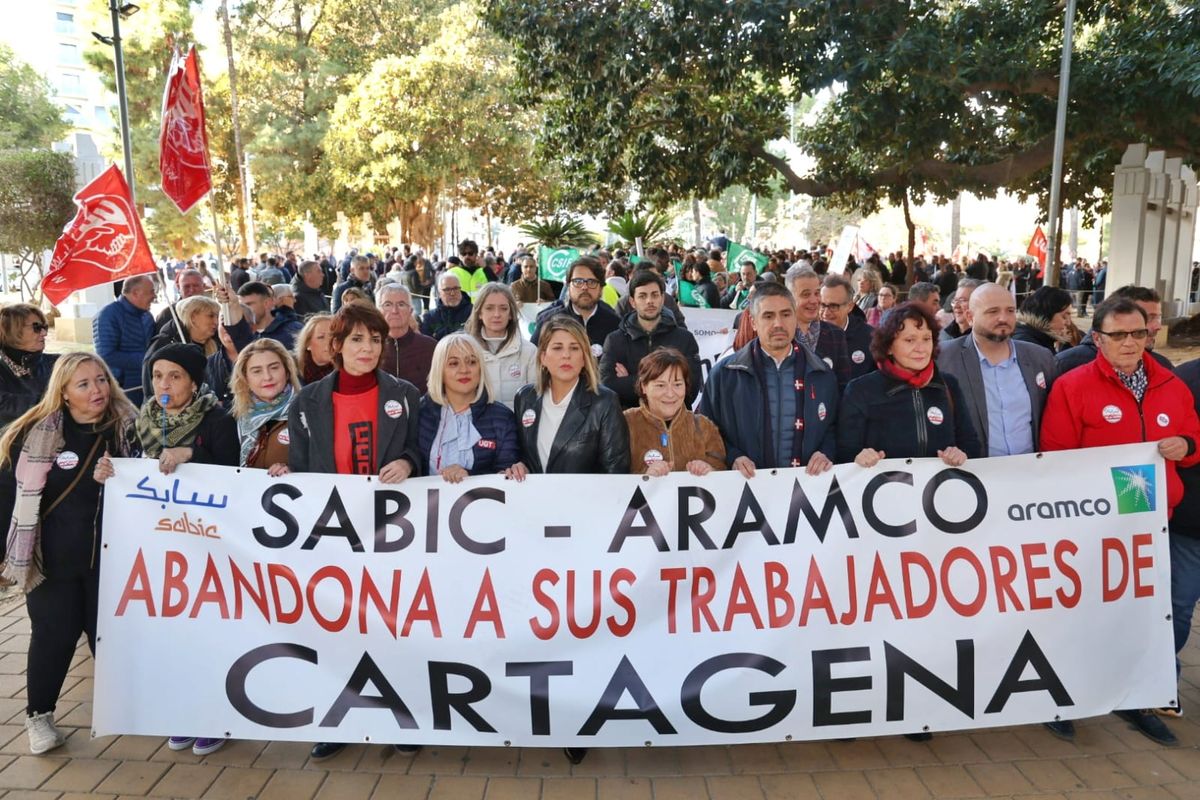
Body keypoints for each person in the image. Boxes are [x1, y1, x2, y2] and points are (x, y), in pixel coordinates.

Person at [1041, 296, 1200, 745]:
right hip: (1095, 526)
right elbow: (1057, 457)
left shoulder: (1171, 383)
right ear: (1097, 339)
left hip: (1153, 524)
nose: (1131, 343)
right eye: (1118, 335)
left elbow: (1194, 438)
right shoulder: (1073, 386)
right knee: (1080, 612)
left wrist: (1186, 447)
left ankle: (1135, 698)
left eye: (1139, 334)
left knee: (1144, 615)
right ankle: (1061, 697)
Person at [287, 303, 423, 762]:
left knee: (394, 629)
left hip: (393, 535)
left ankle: (403, 716)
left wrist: (407, 462)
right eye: (358, 340)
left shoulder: (404, 394)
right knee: (339, 631)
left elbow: (417, 451)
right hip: (335, 538)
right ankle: (340, 717)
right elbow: (306, 470)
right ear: (336, 346)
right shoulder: (306, 402)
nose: (368, 348)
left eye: (376, 340)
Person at [0, 354, 137, 754]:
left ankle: (132, 706)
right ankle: (38, 716)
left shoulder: (126, 426)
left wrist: (124, 471)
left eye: (101, 380)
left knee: (110, 636)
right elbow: (7, 496)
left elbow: (150, 485)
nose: (96, 390)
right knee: (53, 637)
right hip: (51, 561)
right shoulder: (31, 433)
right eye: (83, 384)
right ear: (62, 391)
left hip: (110, 561)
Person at [108, 343, 238, 755]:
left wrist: (191, 454)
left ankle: (216, 715)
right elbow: (125, 465)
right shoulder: (139, 421)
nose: (164, 384)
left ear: (194, 382)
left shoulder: (215, 418)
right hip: (158, 545)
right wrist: (110, 472)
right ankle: (182, 710)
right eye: (158, 375)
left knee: (208, 630)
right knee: (172, 632)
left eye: (175, 376)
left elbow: (233, 471)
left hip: (206, 544)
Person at [700, 282, 838, 477]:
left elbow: (833, 428)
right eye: (768, 316)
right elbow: (705, 430)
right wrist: (732, 457)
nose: (778, 324)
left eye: (786, 314)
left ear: (795, 318)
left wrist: (825, 453)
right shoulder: (724, 374)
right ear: (753, 322)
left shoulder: (821, 374)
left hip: (806, 494)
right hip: (745, 492)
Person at [837, 301, 981, 469]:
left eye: (926, 339)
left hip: (940, 491)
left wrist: (961, 454)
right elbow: (843, 452)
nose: (920, 348)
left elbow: (971, 444)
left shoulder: (948, 385)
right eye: (910, 340)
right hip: (882, 492)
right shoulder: (861, 390)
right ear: (889, 346)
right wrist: (858, 457)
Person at [936, 283, 1057, 457]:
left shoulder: (1040, 358)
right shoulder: (944, 358)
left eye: (1010, 310)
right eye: (993, 311)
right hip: (973, 473)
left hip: (1031, 471)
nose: (1003, 318)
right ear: (970, 316)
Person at [510, 315, 629, 479]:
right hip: (533, 502)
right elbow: (520, 455)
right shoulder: (524, 398)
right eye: (557, 348)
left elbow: (616, 473)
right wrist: (518, 466)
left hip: (586, 502)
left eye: (574, 348)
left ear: (584, 358)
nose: (566, 355)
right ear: (543, 357)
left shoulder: (605, 402)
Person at [418, 333, 519, 480]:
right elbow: (411, 464)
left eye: (472, 362)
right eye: (453, 363)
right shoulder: (420, 412)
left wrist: (469, 477)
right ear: (439, 370)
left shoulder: (503, 418)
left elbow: (507, 475)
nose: (464, 370)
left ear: (481, 368)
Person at [600, 270, 701, 409]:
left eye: (654, 295)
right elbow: (608, 386)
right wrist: (668, 383)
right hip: (628, 424)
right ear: (632, 301)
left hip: (674, 424)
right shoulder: (615, 341)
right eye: (642, 296)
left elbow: (691, 388)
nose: (649, 301)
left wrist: (631, 380)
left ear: (662, 299)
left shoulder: (684, 339)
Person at [624, 348, 724, 475]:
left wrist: (710, 470)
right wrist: (644, 476)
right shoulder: (626, 423)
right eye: (661, 385)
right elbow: (612, 476)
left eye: (677, 384)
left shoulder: (704, 426)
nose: (670, 394)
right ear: (644, 386)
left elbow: (722, 470)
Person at [1057, 285, 1174, 374]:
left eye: (1158, 317)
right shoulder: (1066, 364)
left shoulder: (1162, 367)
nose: (1158, 326)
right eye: (1148, 318)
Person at [229, 339, 300, 473]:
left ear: (287, 371)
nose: (267, 377)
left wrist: (294, 471)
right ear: (245, 378)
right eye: (257, 371)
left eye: (274, 368)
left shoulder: (307, 411)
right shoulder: (234, 419)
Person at [466, 283, 537, 409]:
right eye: (489, 308)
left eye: (503, 308)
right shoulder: (465, 350)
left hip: (515, 427)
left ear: (511, 314)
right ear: (479, 313)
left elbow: (535, 399)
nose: (497, 314)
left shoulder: (529, 351)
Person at [140, 295, 222, 402]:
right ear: (193, 317)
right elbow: (150, 386)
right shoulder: (164, 344)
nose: (216, 321)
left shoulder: (217, 343)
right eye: (211, 316)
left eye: (217, 316)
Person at [531, 257, 621, 351]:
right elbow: (532, 360)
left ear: (601, 289)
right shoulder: (549, 322)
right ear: (568, 286)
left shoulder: (615, 324)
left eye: (592, 282)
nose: (584, 287)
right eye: (578, 281)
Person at [93, 275, 156, 406]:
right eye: (151, 291)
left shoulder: (147, 317)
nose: (154, 296)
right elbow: (106, 355)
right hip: (123, 388)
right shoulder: (108, 315)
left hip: (149, 384)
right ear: (135, 293)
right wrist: (148, 359)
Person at [0, 304, 59, 430]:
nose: (44, 333)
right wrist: (53, 403)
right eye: (37, 327)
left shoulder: (58, 363)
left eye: (44, 327)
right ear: (13, 331)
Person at [378, 284, 437, 395]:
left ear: (411, 310)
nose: (394, 310)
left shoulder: (431, 348)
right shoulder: (370, 349)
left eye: (401, 304)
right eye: (387, 304)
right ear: (378, 311)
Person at [820, 274, 875, 380]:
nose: (826, 313)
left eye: (833, 306)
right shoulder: (808, 336)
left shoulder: (870, 338)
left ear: (850, 306)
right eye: (822, 305)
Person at [231, 281, 304, 351]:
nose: (244, 310)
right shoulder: (241, 335)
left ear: (267, 303)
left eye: (249, 304)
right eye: (242, 306)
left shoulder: (293, 331)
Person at [1012, 285, 1074, 355]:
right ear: (1046, 314)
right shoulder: (1026, 344)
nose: (1068, 323)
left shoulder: (1042, 339)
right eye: (1064, 317)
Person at [420, 272, 474, 340]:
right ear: (439, 293)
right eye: (447, 290)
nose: (452, 293)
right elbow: (427, 344)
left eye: (456, 288)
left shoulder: (473, 312)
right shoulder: (430, 317)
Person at [154, 268, 207, 333]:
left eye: (196, 286)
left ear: (204, 286)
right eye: (186, 286)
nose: (192, 290)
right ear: (178, 287)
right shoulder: (167, 314)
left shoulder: (214, 311)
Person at [295, 313, 335, 385]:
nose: (329, 342)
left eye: (333, 336)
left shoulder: (346, 370)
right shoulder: (292, 369)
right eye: (321, 337)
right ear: (308, 344)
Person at [939, 279, 982, 343]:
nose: (956, 306)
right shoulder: (943, 336)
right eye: (955, 301)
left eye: (963, 300)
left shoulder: (986, 339)